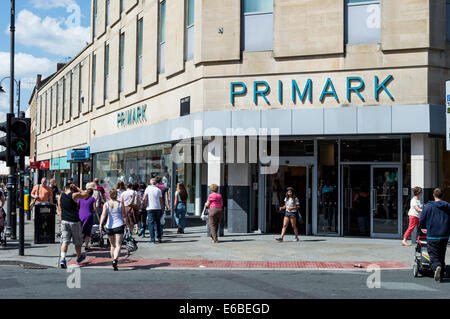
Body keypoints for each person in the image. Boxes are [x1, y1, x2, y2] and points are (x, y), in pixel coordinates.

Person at [419, 188, 450, 282]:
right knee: (441, 253)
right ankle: (442, 270)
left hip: (433, 234)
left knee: (433, 254)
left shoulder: (428, 206)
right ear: (442, 196)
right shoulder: (448, 206)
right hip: (444, 234)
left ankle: (437, 267)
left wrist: (423, 227)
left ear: (434, 195)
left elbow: (422, 220)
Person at [57, 184, 88, 269]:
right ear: (71, 189)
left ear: (64, 188)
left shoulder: (60, 196)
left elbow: (60, 210)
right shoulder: (74, 195)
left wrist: (61, 221)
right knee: (77, 241)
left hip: (64, 221)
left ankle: (62, 259)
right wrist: (77, 187)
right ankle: (79, 257)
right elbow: (85, 194)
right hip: (74, 221)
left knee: (65, 241)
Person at [100, 189, 126, 271]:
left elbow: (103, 215)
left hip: (109, 226)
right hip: (119, 225)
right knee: (118, 245)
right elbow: (123, 215)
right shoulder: (120, 204)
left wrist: (101, 224)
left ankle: (113, 260)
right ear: (117, 195)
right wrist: (127, 225)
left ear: (110, 195)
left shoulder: (106, 204)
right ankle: (115, 260)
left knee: (112, 245)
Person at [143, 178, 164, 243]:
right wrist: (162, 209)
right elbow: (161, 201)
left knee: (151, 223)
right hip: (158, 208)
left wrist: (146, 204)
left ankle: (152, 239)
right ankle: (159, 237)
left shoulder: (147, 189)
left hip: (150, 208)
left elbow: (144, 198)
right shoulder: (158, 190)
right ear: (156, 183)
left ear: (150, 183)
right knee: (157, 223)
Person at [78, 183, 97, 251]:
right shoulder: (92, 199)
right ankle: (86, 245)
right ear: (92, 193)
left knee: (81, 230)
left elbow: (77, 204)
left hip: (80, 215)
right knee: (88, 231)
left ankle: (79, 244)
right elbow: (95, 208)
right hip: (88, 215)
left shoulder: (81, 198)